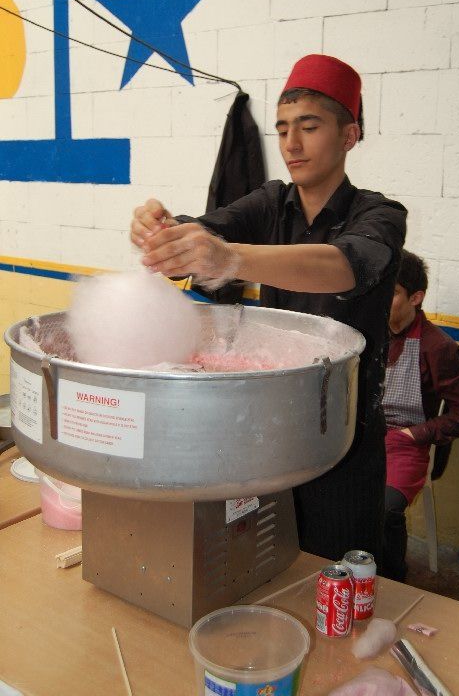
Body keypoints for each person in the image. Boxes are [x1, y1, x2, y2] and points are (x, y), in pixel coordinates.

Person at [130, 54, 407, 564]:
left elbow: (344, 265)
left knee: (336, 568)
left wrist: (232, 259)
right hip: (270, 430)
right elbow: (210, 227)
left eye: (309, 127)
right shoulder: (271, 202)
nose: (291, 145)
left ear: (349, 136)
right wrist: (165, 232)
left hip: (344, 433)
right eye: (282, 129)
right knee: (264, 563)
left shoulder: (380, 215)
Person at [382, 250, 459, 581]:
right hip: (367, 436)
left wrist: (414, 434)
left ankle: (393, 580)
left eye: (393, 292)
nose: (382, 298)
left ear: (416, 297)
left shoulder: (438, 348)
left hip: (407, 444)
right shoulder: (370, 333)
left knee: (386, 509)